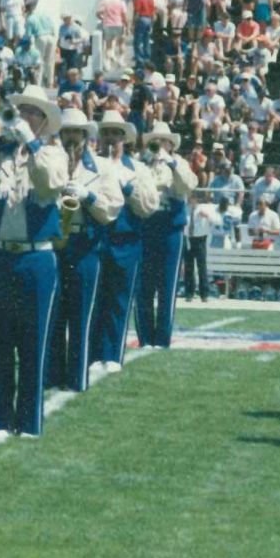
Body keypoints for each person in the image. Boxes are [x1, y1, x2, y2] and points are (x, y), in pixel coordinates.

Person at [0, 85, 69, 436]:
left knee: (32, 341)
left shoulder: (54, 153)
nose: (23, 117)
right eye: (20, 110)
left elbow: (50, 184)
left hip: (34, 258)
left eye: (31, 112)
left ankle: (28, 421)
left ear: (43, 121)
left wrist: (33, 144)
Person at [49, 109, 123, 393]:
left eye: (76, 133)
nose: (71, 138)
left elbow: (112, 209)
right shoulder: (51, 161)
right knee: (54, 313)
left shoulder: (102, 167)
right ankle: (52, 374)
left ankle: (77, 377)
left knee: (81, 313)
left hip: (85, 244)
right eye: (66, 132)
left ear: (85, 135)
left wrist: (88, 195)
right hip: (56, 242)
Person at [91, 111, 159, 374]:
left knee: (120, 300)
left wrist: (129, 189)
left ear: (124, 138)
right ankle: (95, 353)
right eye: (106, 132)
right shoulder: (93, 164)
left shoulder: (138, 168)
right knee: (98, 298)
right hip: (98, 237)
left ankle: (113, 354)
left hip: (127, 239)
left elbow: (149, 206)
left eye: (115, 133)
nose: (110, 138)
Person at [136, 122, 198, 350]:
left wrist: (171, 164)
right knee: (143, 286)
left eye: (163, 141)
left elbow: (187, 186)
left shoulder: (179, 163)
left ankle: (162, 339)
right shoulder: (142, 163)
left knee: (167, 286)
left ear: (171, 144)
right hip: (146, 225)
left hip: (170, 227)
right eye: (156, 140)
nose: (159, 145)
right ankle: (145, 337)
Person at [184, 191, 218, 301]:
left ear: (197, 199)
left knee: (201, 267)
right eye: (190, 197)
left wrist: (207, 216)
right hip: (188, 238)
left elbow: (217, 221)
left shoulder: (205, 208)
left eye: (193, 198)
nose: (191, 199)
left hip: (200, 239)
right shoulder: (185, 209)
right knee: (188, 267)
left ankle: (204, 294)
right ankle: (189, 293)